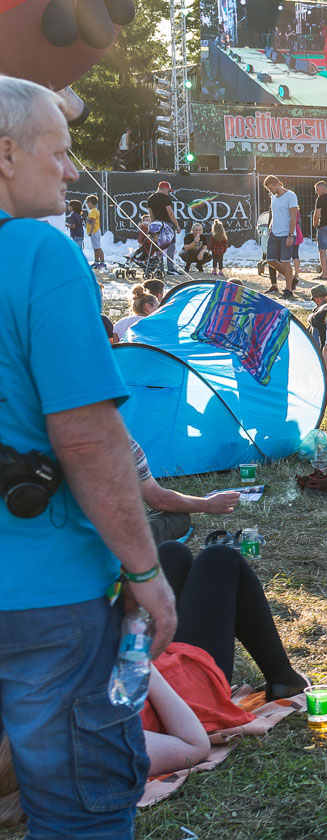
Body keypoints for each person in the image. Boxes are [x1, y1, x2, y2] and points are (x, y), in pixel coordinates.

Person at [0, 80, 179, 838]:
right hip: (45, 594)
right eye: (61, 153)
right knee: (83, 808)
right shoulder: (41, 253)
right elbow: (86, 438)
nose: (73, 172)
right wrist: (144, 572)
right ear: (7, 156)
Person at [261, 174, 300, 298]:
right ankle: (291, 278)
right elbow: (274, 213)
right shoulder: (273, 197)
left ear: (277, 184)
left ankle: (288, 290)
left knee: (285, 261)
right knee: (270, 259)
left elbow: (293, 217)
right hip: (274, 232)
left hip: (286, 233)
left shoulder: (290, 196)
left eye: (271, 188)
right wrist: (270, 227)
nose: (270, 191)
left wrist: (290, 234)